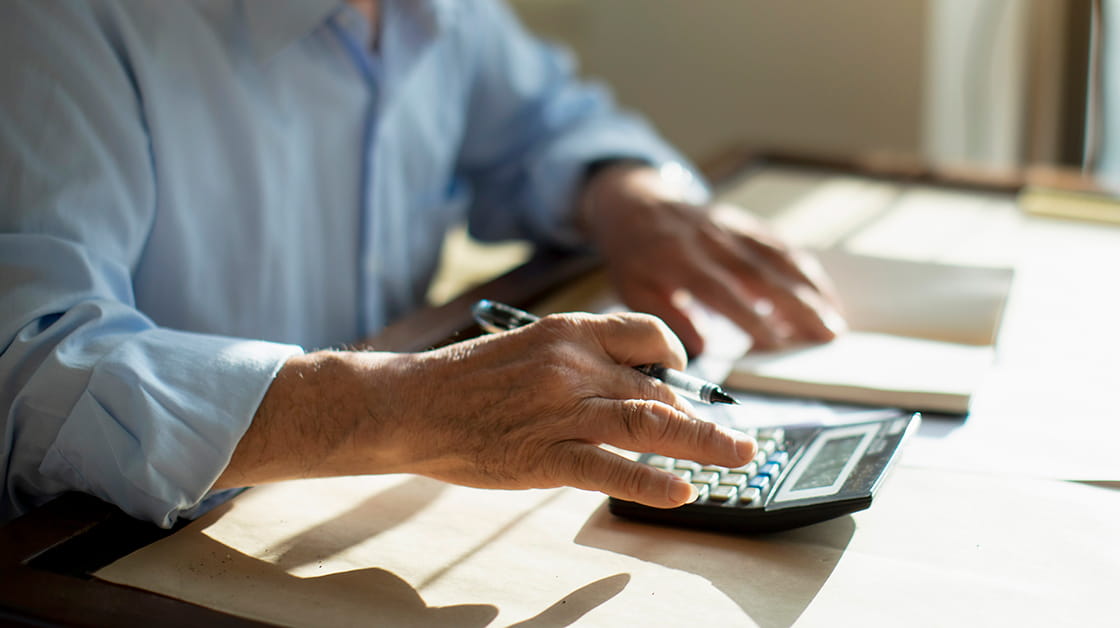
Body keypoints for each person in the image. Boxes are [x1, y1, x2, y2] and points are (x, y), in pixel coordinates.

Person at [0, 0, 843, 528]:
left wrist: (626, 194)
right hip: (110, 560)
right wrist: (399, 404)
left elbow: (547, 121)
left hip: (338, 521)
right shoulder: (57, 22)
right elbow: (29, 365)